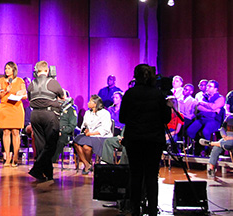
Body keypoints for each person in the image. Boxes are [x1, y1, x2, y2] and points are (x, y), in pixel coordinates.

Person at [120, 64, 171, 216]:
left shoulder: (129, 94)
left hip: (134, 139)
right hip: (153, 141)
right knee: (151, 177)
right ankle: (153, 210)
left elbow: (122, 118)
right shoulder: (158, 94)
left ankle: (134, 210)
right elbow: (166, 119)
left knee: (135, 175)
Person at [27, 60, 64, 182]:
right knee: (51, 145)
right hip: (49, 114)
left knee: (41, 145)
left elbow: (30, 98)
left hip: (35, 115)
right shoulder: (52, 82)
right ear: (47, 71)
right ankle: (37, 169)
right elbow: (62, 96)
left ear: (36, 71)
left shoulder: (31, 84)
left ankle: (48, 174)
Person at [0, 61, 27, 167]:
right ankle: (7, 158)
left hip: (16, 108)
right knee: (6, 132)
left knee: (15, 132)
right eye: (6, 68)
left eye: (9, 68)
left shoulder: (20, 81)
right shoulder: (1, 81)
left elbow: (25, 95)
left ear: (14, 69)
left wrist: (20, 94)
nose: (7, 70)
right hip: (5, 108)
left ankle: (16, 157)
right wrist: (5, 90)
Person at [73, 94, 112, 174]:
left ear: (95, 104)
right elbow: (84, 125)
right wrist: (86, 130)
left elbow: (105, 129)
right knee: (76, 142)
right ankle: (87, 164)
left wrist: (92, 133)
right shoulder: (88, 113)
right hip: (89, 136)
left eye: (90, 101)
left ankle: (88, 164)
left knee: (86, 147)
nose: (88, 103)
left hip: (101, 136)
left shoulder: (105, 113)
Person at [200, 100, 233, 177]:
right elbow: (222, 129)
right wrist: (224, 136)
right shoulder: (229, 117)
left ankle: (210, 143)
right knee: (217, 147)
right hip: (226, 138)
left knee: (230, 143)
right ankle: (211, 168)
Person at [52, 92, 77, 163]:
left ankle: (53, 159)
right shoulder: (52, 108)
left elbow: (72, 125)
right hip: (52, 131)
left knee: (60, 140)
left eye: (61, 96)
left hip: (64, 133)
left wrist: (62, 131)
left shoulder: (71, 110)